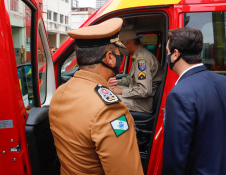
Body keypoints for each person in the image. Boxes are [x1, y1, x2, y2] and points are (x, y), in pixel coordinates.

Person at [49, 18, 144, 175]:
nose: (120, 57)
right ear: (110, 58)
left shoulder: (61, 92)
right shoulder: (110, 111)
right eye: (118, 53)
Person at [162, 27, 226, 175]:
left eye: (167, 52)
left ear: (175, 54)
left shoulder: (179, 94)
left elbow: (175, 159)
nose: (167, 56)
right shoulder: (223, 81)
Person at [108, 29, 163, 113]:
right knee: (108, 92)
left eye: (121, 45)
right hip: (139, 98)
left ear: (129, 43)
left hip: (144, 103)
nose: (120, 49)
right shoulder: (137, 55)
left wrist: (120, 90)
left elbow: (144, 90)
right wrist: (114, 82)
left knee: (106, 100)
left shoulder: (141, 59)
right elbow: (130, 79)